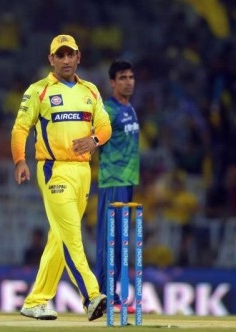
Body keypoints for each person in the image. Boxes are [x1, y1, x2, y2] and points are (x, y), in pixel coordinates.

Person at [11, 34, 112, 321]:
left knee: (59, 237)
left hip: (83, 172)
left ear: (78, 57)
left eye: (71, 55)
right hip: (53, 170)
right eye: (60, 55)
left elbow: (105, 125)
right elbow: (20, 129)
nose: (66, 60)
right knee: (71, 237)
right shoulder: (39, 90)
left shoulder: (90, 91)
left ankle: (36, 300)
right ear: (51, 59)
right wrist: (20, 160)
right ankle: (92, 296)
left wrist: (94, 139)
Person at [95, 60, 139, 313]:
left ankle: (116, 297)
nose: (128, 82)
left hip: (127, 183)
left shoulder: (130, 109)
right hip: (112, 182)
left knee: (122, 241)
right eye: (122, 78)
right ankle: (103, 295)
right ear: (112, 82)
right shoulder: (108, 111)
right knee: (109, 240)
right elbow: (95, 138)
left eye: (131, 77)